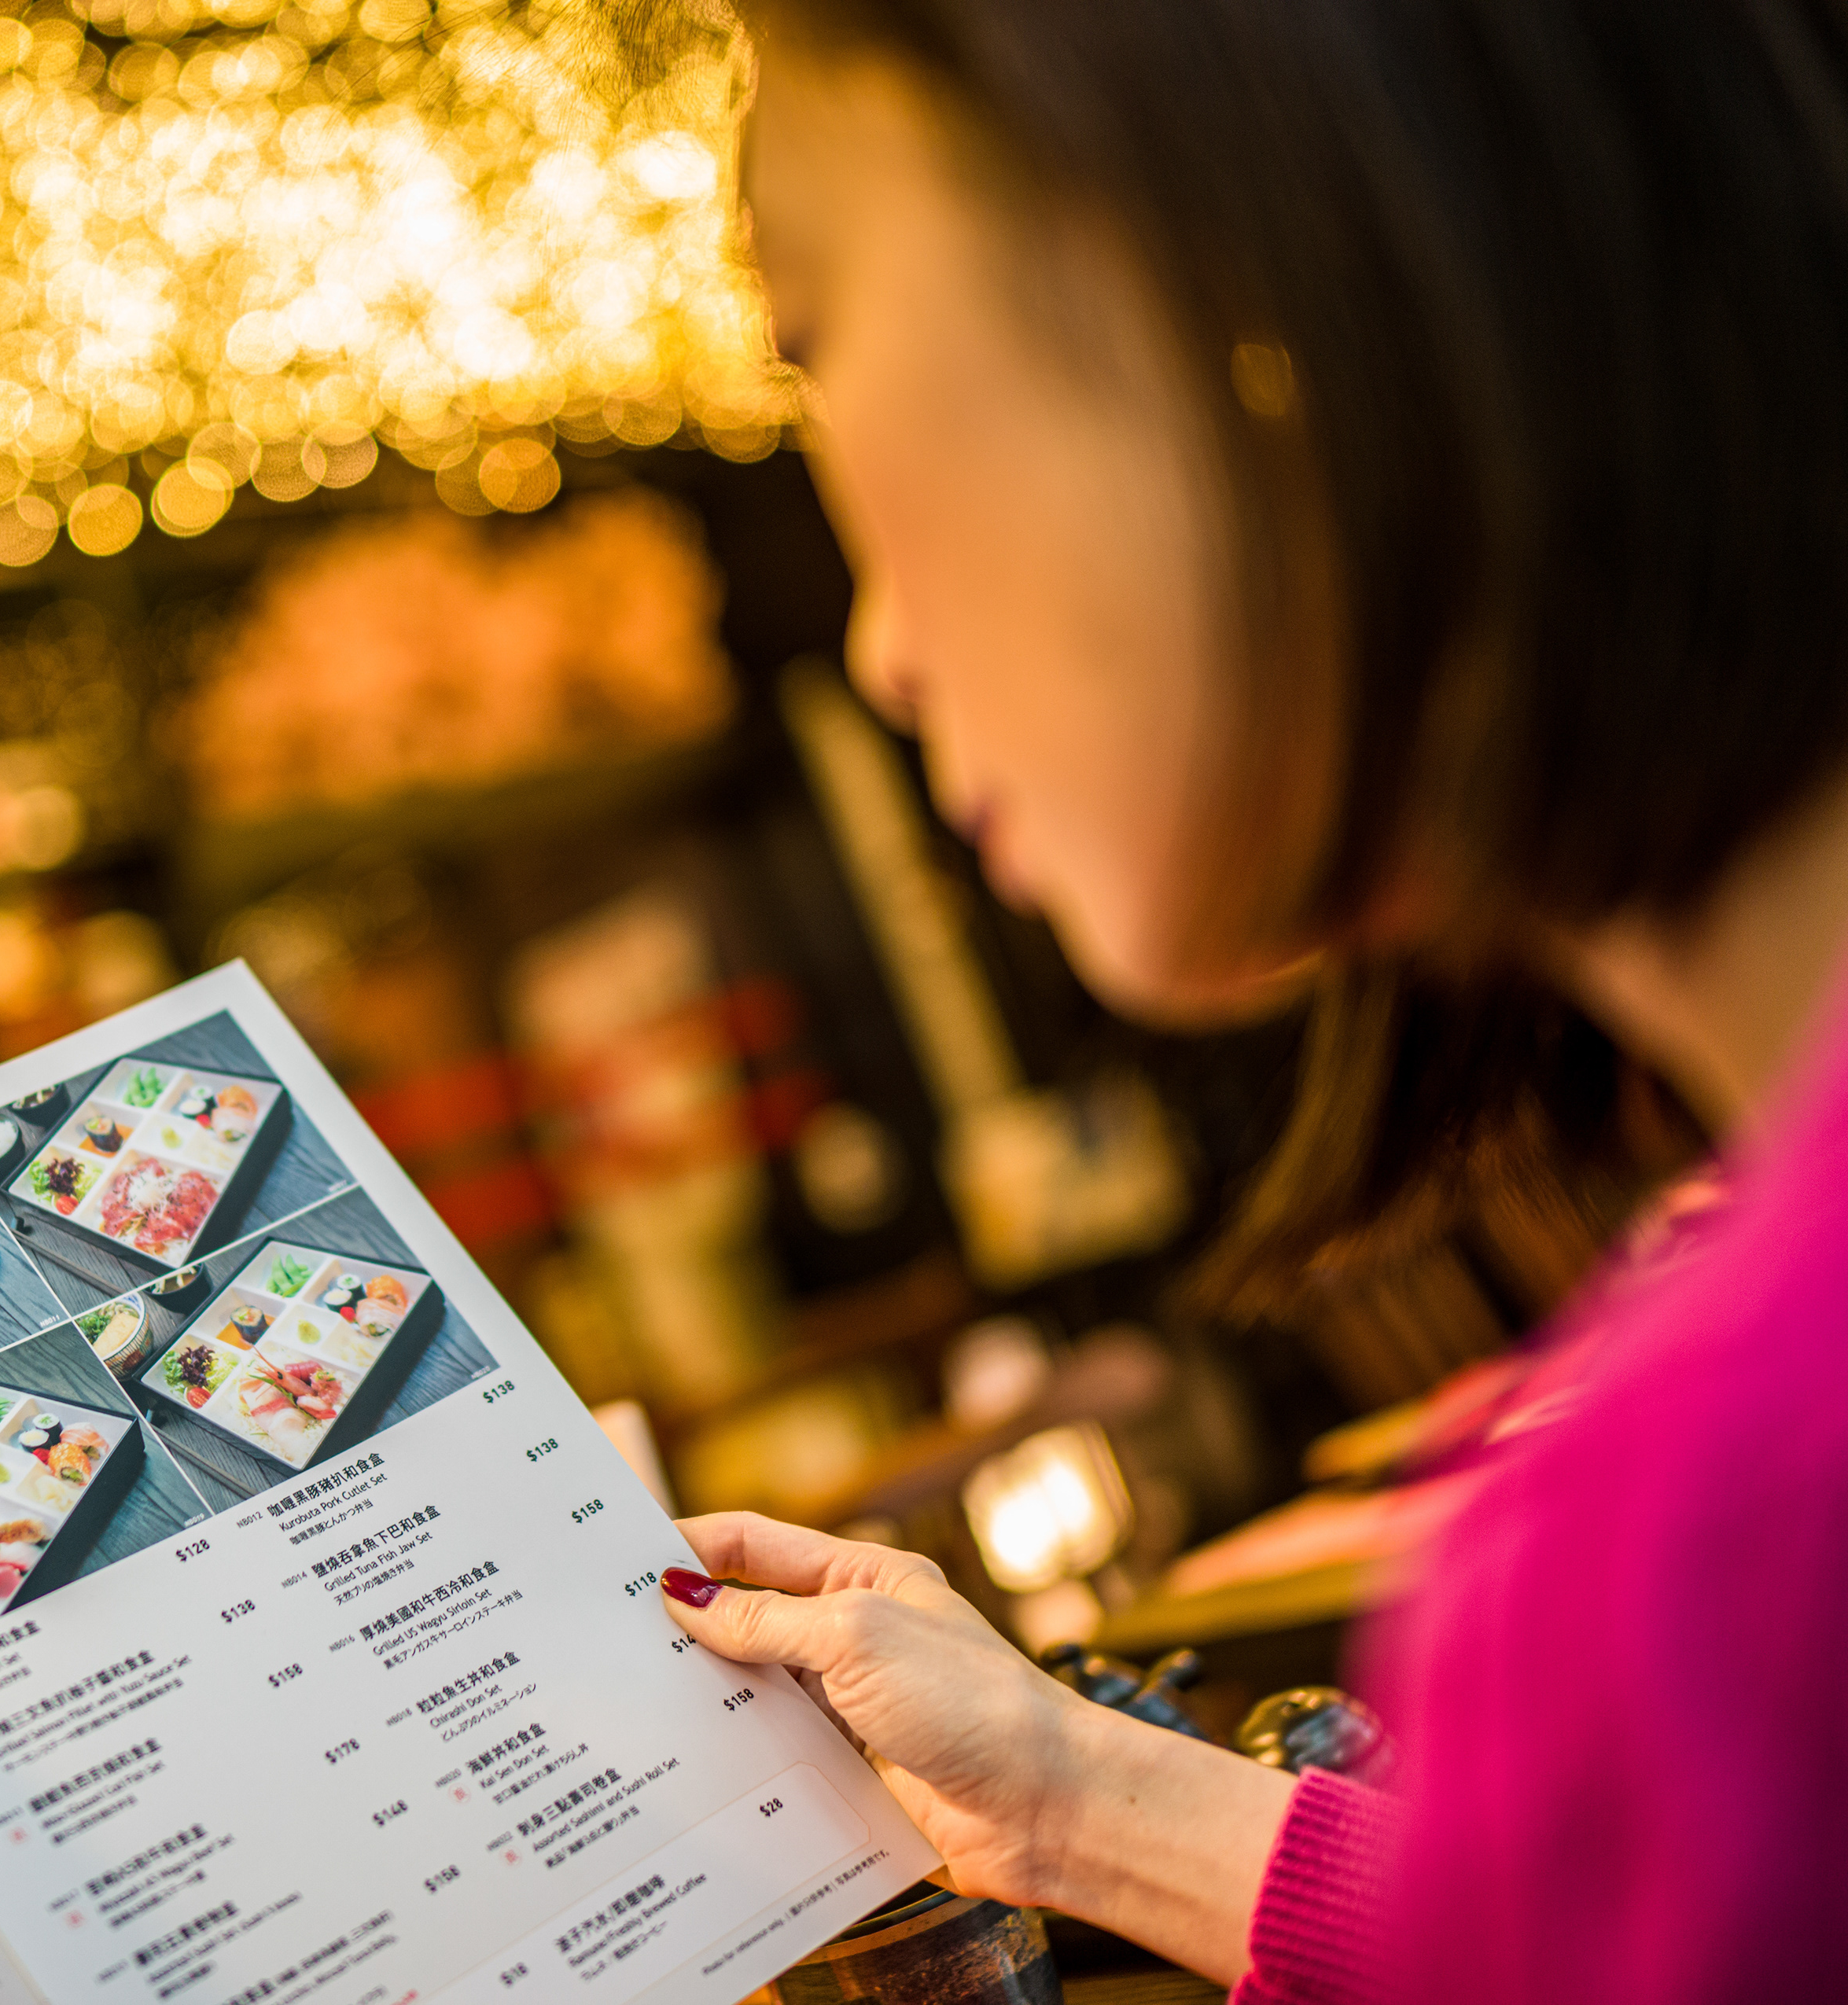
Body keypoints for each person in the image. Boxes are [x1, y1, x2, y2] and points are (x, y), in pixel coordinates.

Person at [651, 4, 1848, 2001]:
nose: (877, 647)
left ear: (1225, 257)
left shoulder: (1710, 1548)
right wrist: (1066, 1799)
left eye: (816, 336)